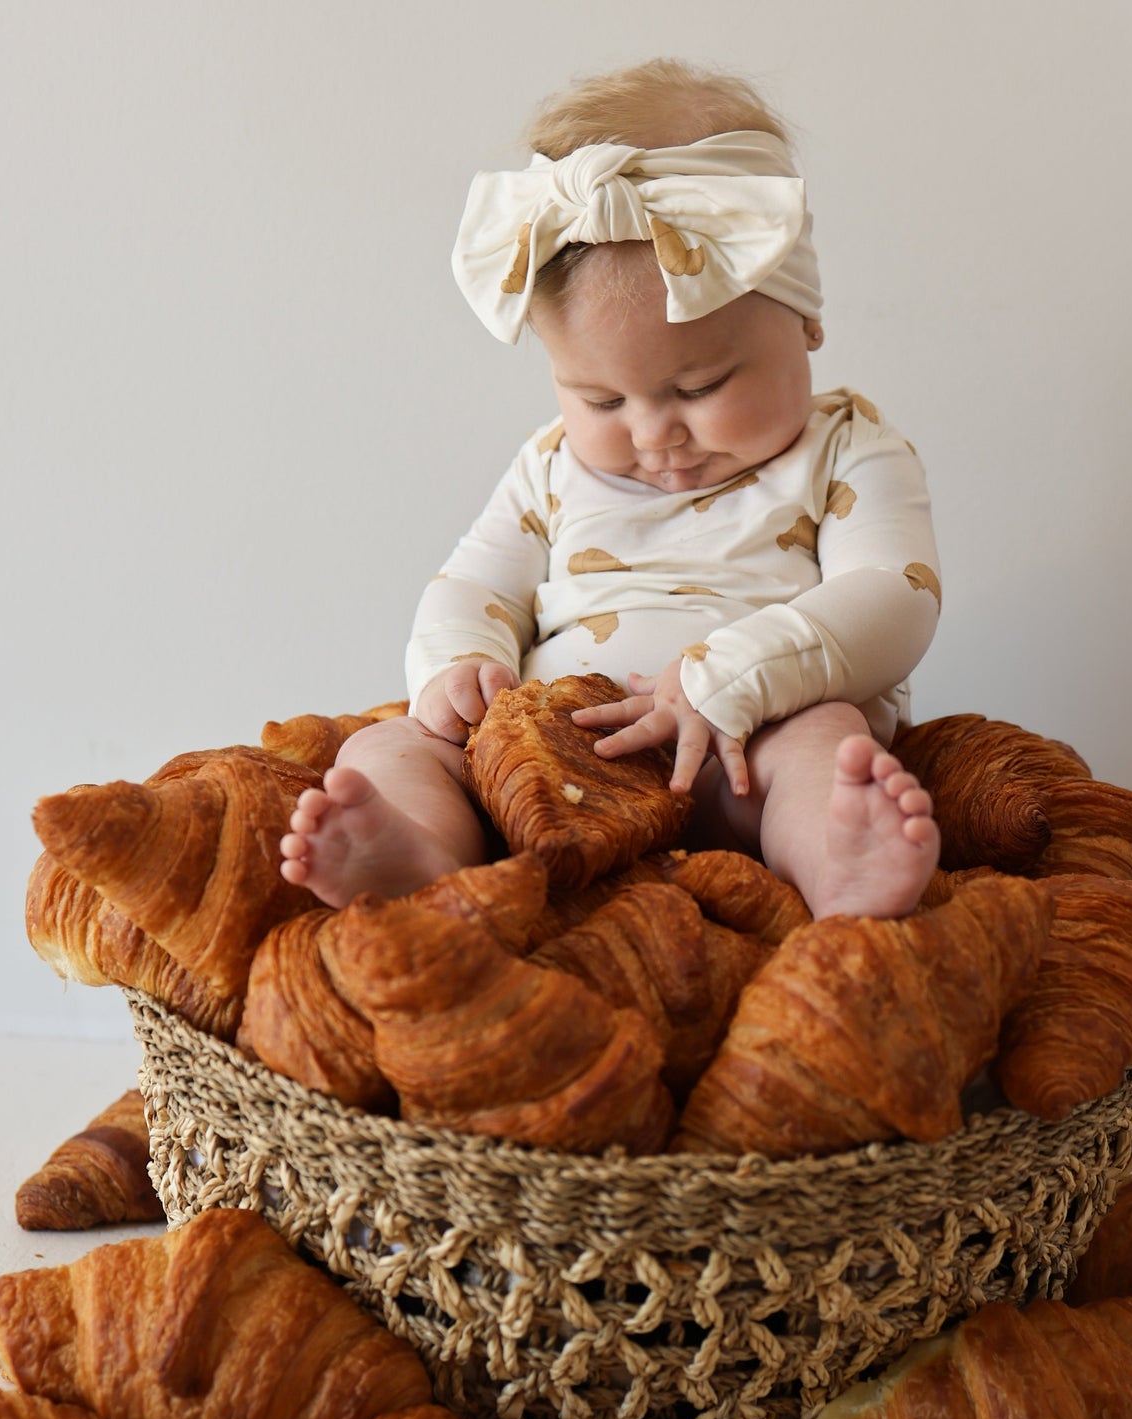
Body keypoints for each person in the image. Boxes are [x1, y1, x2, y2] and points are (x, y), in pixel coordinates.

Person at [280, 58, 943, 920]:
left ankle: (838, 869)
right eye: (601, 399)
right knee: (390, 742)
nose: (653, 431)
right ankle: (418, 856)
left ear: (805, 318)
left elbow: (894, 596)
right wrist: (460, 667)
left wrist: (735, 678)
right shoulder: (551, 468)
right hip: (541, 766)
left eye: (699, 388)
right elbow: (475, 584)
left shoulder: (847, 449)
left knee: (825, 741)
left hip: (734, 761)